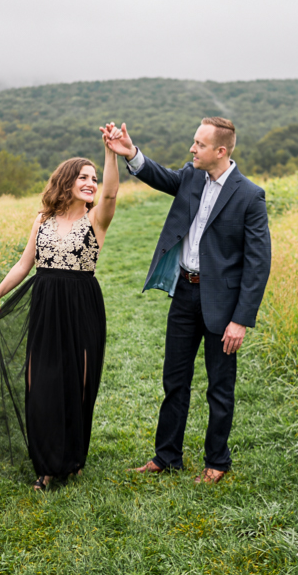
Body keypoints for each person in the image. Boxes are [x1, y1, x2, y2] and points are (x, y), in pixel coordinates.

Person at [104, 117, 271, 484]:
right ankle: (167, 457)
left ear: (221, 151)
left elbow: (258, 265)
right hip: (184, 292)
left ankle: (217, 463)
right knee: (174, 380)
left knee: (219, 386)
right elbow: (161, 176)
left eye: (199, 144)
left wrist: (240, 320)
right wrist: (129, 151)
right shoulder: (193, 177)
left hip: (223, 305)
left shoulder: (249, 196)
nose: (192, 149)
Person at [0, 131, 119, 491]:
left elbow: (110, 192)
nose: (91, 183)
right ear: (66, 181)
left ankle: (72, 458)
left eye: (94, 178)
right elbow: (24, 263)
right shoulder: (42, 220)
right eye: (83, 177)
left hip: (81, 305)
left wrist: (111, 154)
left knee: (78, 383)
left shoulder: (96, 221)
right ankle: (45, 465)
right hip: (45, 305)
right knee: (40, 382)